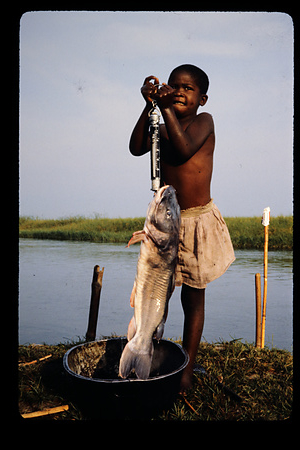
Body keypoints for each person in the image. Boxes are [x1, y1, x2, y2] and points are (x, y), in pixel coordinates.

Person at [129, 64, 235, 392]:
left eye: (187, 88)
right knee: (160, 292)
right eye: (174, 86)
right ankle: (150, 352)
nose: (178, 91)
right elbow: (136, 147)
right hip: (168, 223)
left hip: (197, 221)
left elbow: (185, 148)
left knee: (193, 298)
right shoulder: (161, 119)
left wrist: (162, 109)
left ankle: (186, 368)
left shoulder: (204, 121)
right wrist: (148, 106)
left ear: (202, 98)